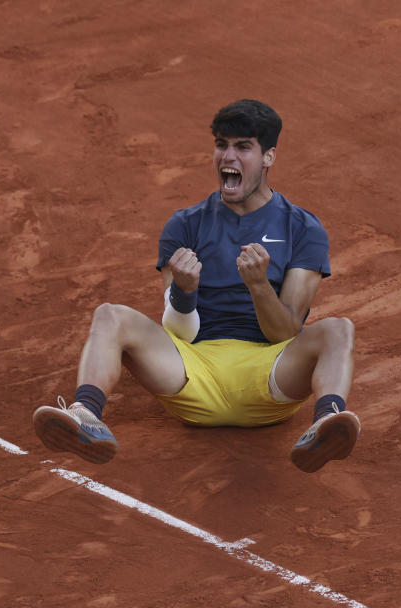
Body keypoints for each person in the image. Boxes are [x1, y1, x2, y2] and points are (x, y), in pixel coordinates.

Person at [33, 99, 360, 473]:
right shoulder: (184, 225)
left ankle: (326, 421)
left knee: (339, 330)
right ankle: (85, 415)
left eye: (243, 147)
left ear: (268, 157)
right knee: (110, 316)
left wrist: (258, 286)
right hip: (192, 373)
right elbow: (179, 332)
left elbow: (284, 332)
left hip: (271, 379)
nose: (228, 157)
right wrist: (185, 293)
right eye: (222, 144)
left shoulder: (303, 228)